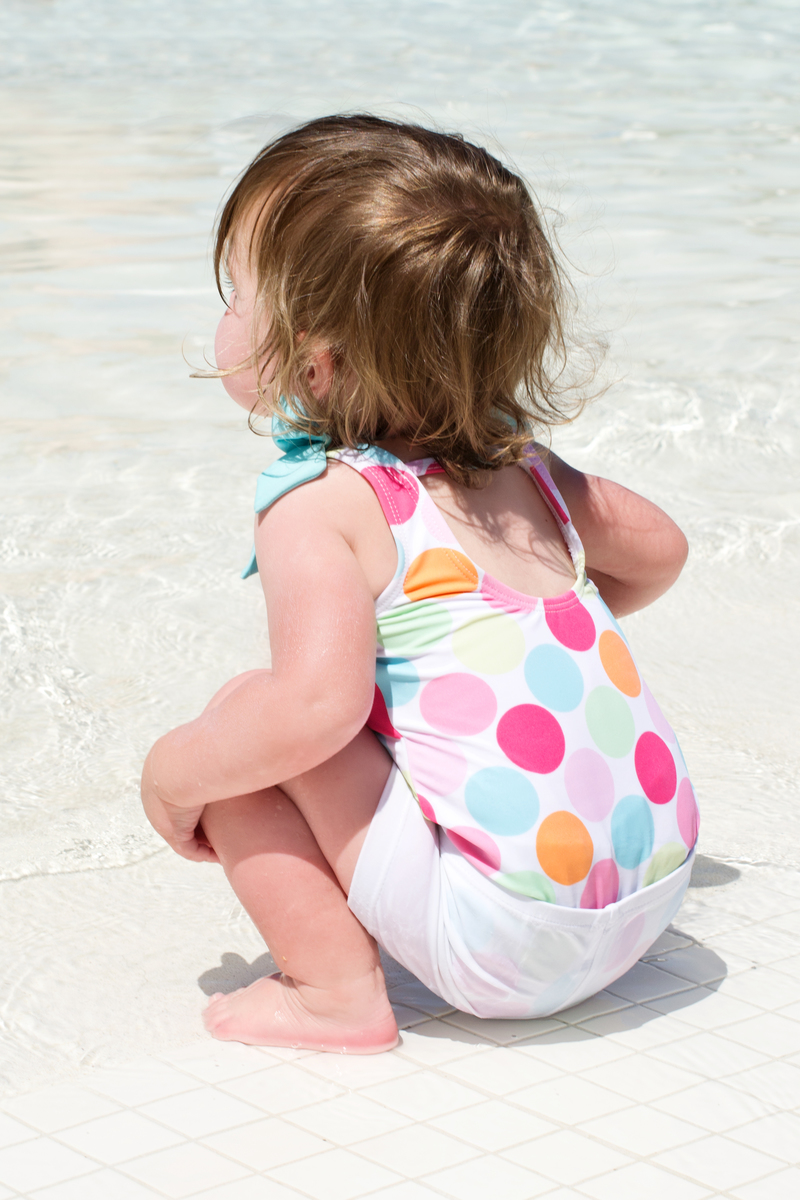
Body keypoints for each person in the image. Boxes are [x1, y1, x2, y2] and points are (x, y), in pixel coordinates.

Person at [141, 114, 699, 1054]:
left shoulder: (325, 503)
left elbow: (312, 712)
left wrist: (171, 775)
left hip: (510, 943)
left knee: (244, 724)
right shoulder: (526, 468)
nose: (224, 314)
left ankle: (334, 996)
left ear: (314, 357)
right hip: (655, 896)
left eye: (239, 292)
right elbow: (662, 551)